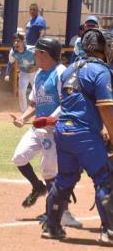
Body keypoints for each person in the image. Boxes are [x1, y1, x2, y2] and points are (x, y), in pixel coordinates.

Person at [41, 29, 113, 245]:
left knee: (64, 180)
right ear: (104, 49)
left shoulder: (70, 69)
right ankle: (109, 231)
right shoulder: (101, 71)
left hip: (64, 132)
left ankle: (52, 226)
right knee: (105, 179)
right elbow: (106, 107)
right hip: (86, 135)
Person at [11, 37, 81, 228]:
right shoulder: (40, 73)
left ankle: (62, 212)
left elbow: (67, 103)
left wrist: (49, 119)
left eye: (37, 52)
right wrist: (23, 117)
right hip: (37, 128)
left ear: (46, 54)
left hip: (53, 130)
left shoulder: (62, 74)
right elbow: (34, 103)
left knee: (49, 170)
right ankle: (38, 187)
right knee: (19, 157)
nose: (34, 55)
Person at [5, 32, 36, 112]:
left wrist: (36, 66)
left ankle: (40, 112)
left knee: (37, 92)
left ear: (23, 42)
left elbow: (42, 58)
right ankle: (24, 113)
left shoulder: (32, 49)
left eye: (18, 41)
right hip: (23, 73)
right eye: (14, 41)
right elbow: (10, 62)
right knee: (21, 92)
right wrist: (7, 74)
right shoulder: (13, 52)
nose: (16, 43)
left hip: (34, 73)